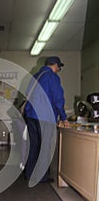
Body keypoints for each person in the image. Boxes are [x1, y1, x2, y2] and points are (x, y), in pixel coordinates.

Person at [24, 56, 69, 186]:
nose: (58, 69)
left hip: (31, 116)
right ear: (54, 65)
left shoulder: (35, 76)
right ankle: (41, 177)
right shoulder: (52, 77)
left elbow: (28, 93)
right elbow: (58, 99)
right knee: (45, 148)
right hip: (45, 117)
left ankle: (29, 174)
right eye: (58, 67)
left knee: (34, 146)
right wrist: (64, 117)